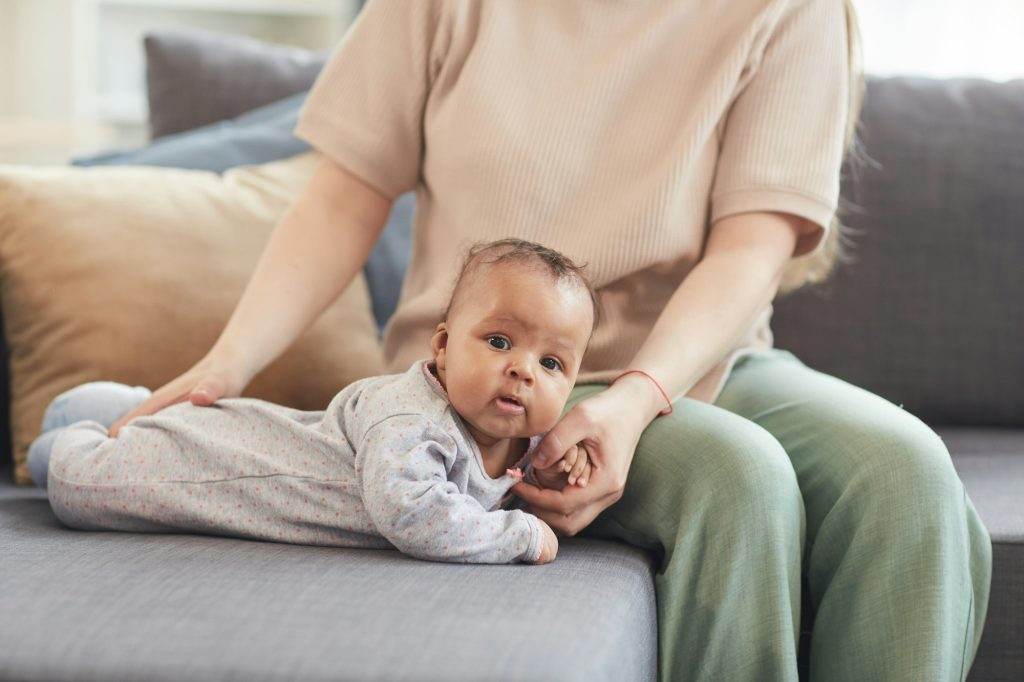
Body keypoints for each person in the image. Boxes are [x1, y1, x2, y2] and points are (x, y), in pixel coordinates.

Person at [100, 1, 993, 680]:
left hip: (699, 360)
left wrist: (639, 401)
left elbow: (751, 248)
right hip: (489, 393)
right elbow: (344, 196)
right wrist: (226, 363)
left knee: (909, 475)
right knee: (739, 477)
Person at [29, 239, 604, 565]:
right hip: (209, 469)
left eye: (551, 363)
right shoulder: (413, 420)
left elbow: (501, 483)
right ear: (445, 348)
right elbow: (413, 514)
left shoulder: (514, 437)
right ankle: (67, 434)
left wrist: (558, 465)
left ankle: (116, 408)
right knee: (76, 484)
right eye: (499, 341)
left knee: (158, 421)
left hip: (246, 430)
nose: (522, 370)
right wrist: (520, 537)